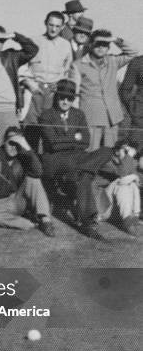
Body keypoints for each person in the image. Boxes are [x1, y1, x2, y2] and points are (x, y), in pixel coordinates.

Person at [39, 79, 114, 240]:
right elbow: (53, 144)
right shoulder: (46, 115)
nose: (66, 101)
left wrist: (68, 139)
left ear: (73, 99)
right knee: (84, 172)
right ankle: (88, 220)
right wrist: (75, 138)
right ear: (56, 97)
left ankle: (87, 221)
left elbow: (86, 141)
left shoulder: (78, 114)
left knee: (107, 150)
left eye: (70, 98)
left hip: (77, 159)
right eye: (62, 97)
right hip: (55, 161)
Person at [71, 29, 137, 150]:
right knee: (90, 153)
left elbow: (133, 52)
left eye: (105, 44)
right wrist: (76, 119)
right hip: (91, 117)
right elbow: (74, 95)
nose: (101, 47)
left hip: (112, 117)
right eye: (98, 44)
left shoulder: (113, 61)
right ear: (90, 44)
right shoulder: (78, 65)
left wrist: (115, 39)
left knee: (108, 154)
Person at [0, 25, 38, 149]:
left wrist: (15, 36)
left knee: (13, 149)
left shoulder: (11, 57)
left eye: (2, 41)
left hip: (10, 111)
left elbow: (32, 50)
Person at [96, 139, 140, 236]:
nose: (126, 154)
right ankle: (128, 222)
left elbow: (137, 181)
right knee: (122, 183)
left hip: (115, 208)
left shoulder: (127, 161)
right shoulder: (107, 160)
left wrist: (134, 176)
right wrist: (129, 158)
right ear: (116, 151)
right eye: (124, 151)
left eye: (128, 152)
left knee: (131, 184)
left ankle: (133, 217)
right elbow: (122, 174)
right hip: (102, 206)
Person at [120, 54, 143, 150]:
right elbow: (124, 90)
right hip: (140, 121)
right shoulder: (138, 62)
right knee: (134, 154)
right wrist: (135, 109)